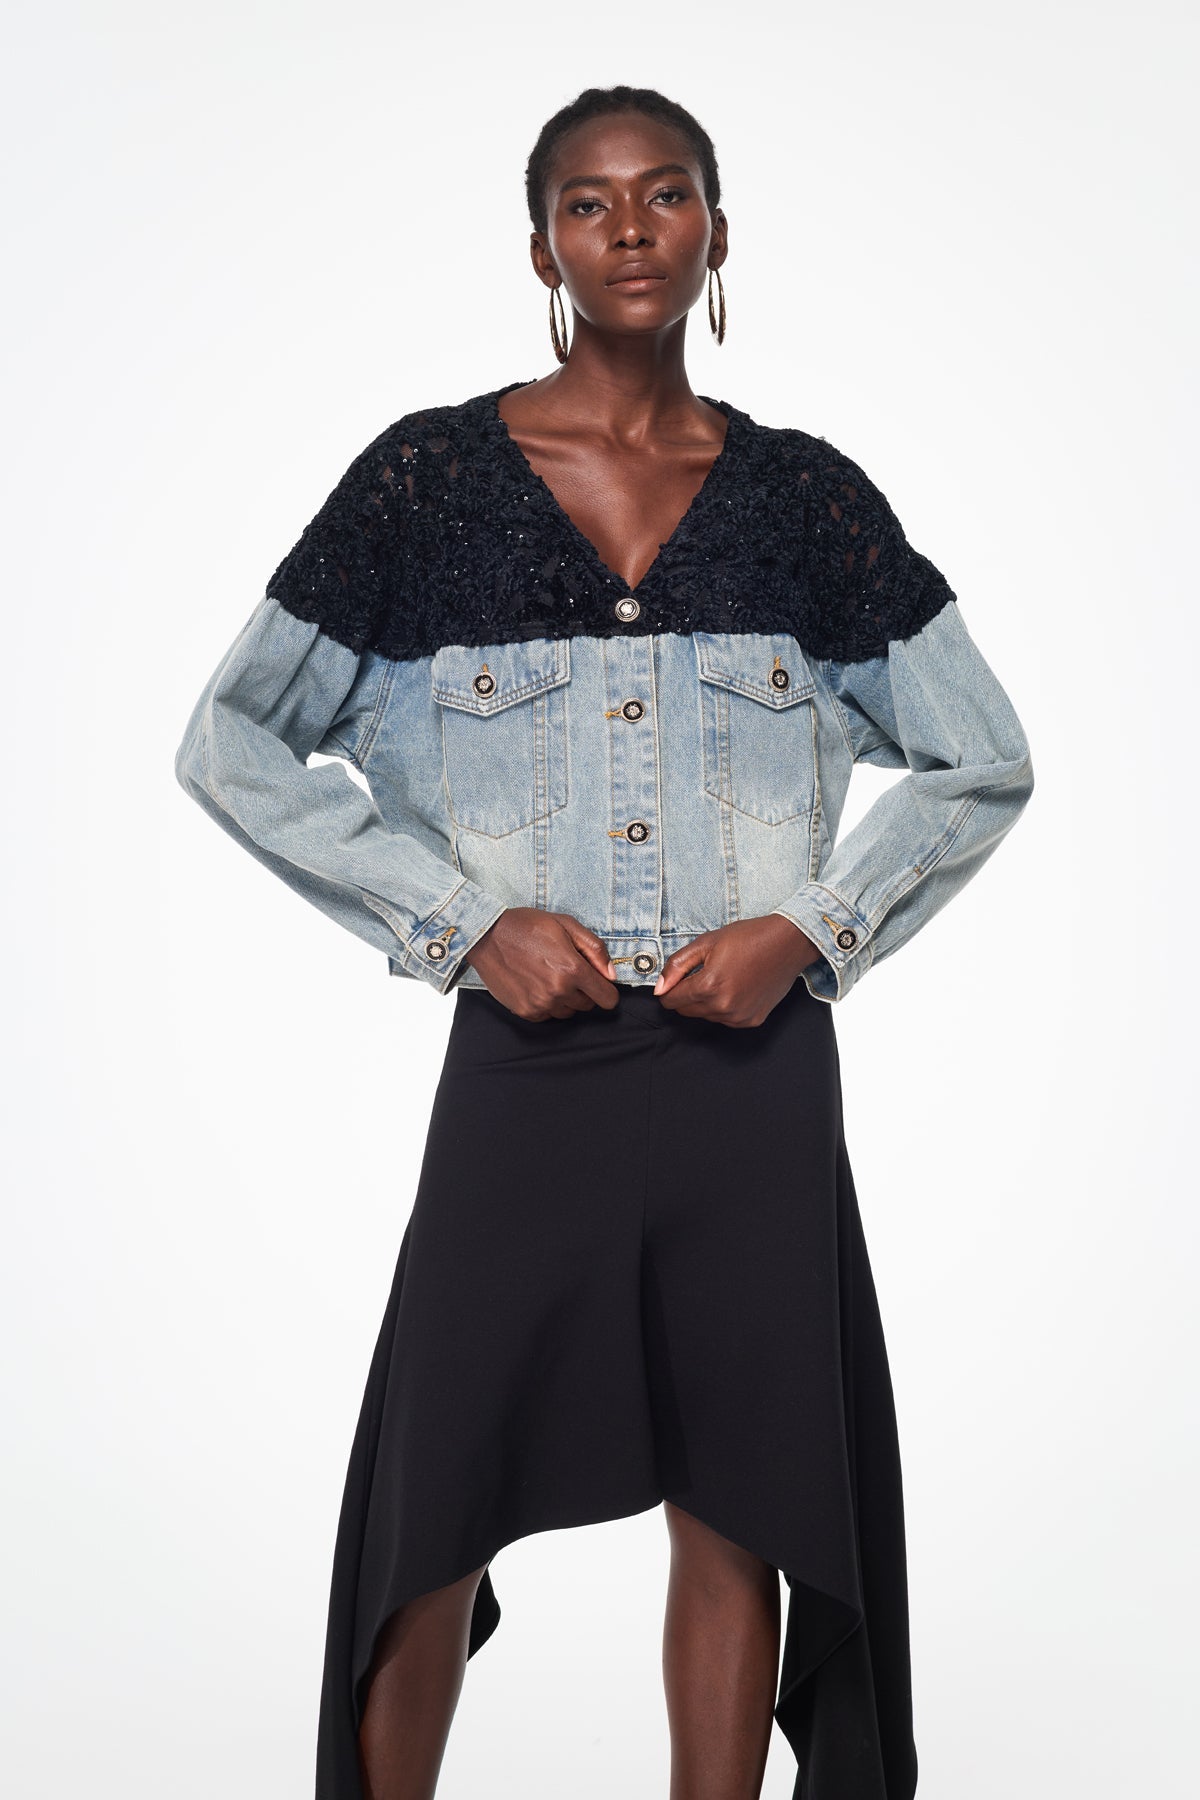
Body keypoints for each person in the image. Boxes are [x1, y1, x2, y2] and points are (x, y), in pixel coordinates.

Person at [175, 83, 1034, 1800]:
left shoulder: (806, 501)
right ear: (541, 247)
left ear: (717, 231)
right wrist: (463, 925)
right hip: (526, 1069)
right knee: (437, 1506)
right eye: (589, 201)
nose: (630, 227)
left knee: (744, 1504)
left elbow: (982, 756)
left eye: (665, 194)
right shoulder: (425, 484)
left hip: (752, 1077)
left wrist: (809, 930)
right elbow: (233, 741)